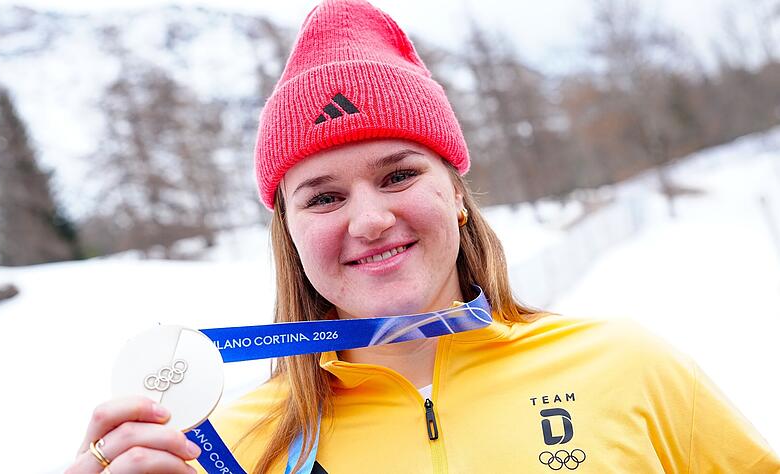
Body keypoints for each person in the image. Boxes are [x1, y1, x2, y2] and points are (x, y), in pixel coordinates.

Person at [68, 0, 780, 473]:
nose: (370, 218)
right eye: (323, 196)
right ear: (290, 235)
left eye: (399, 175)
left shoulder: (628, 367)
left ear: (458, 197)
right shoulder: (231, 449)